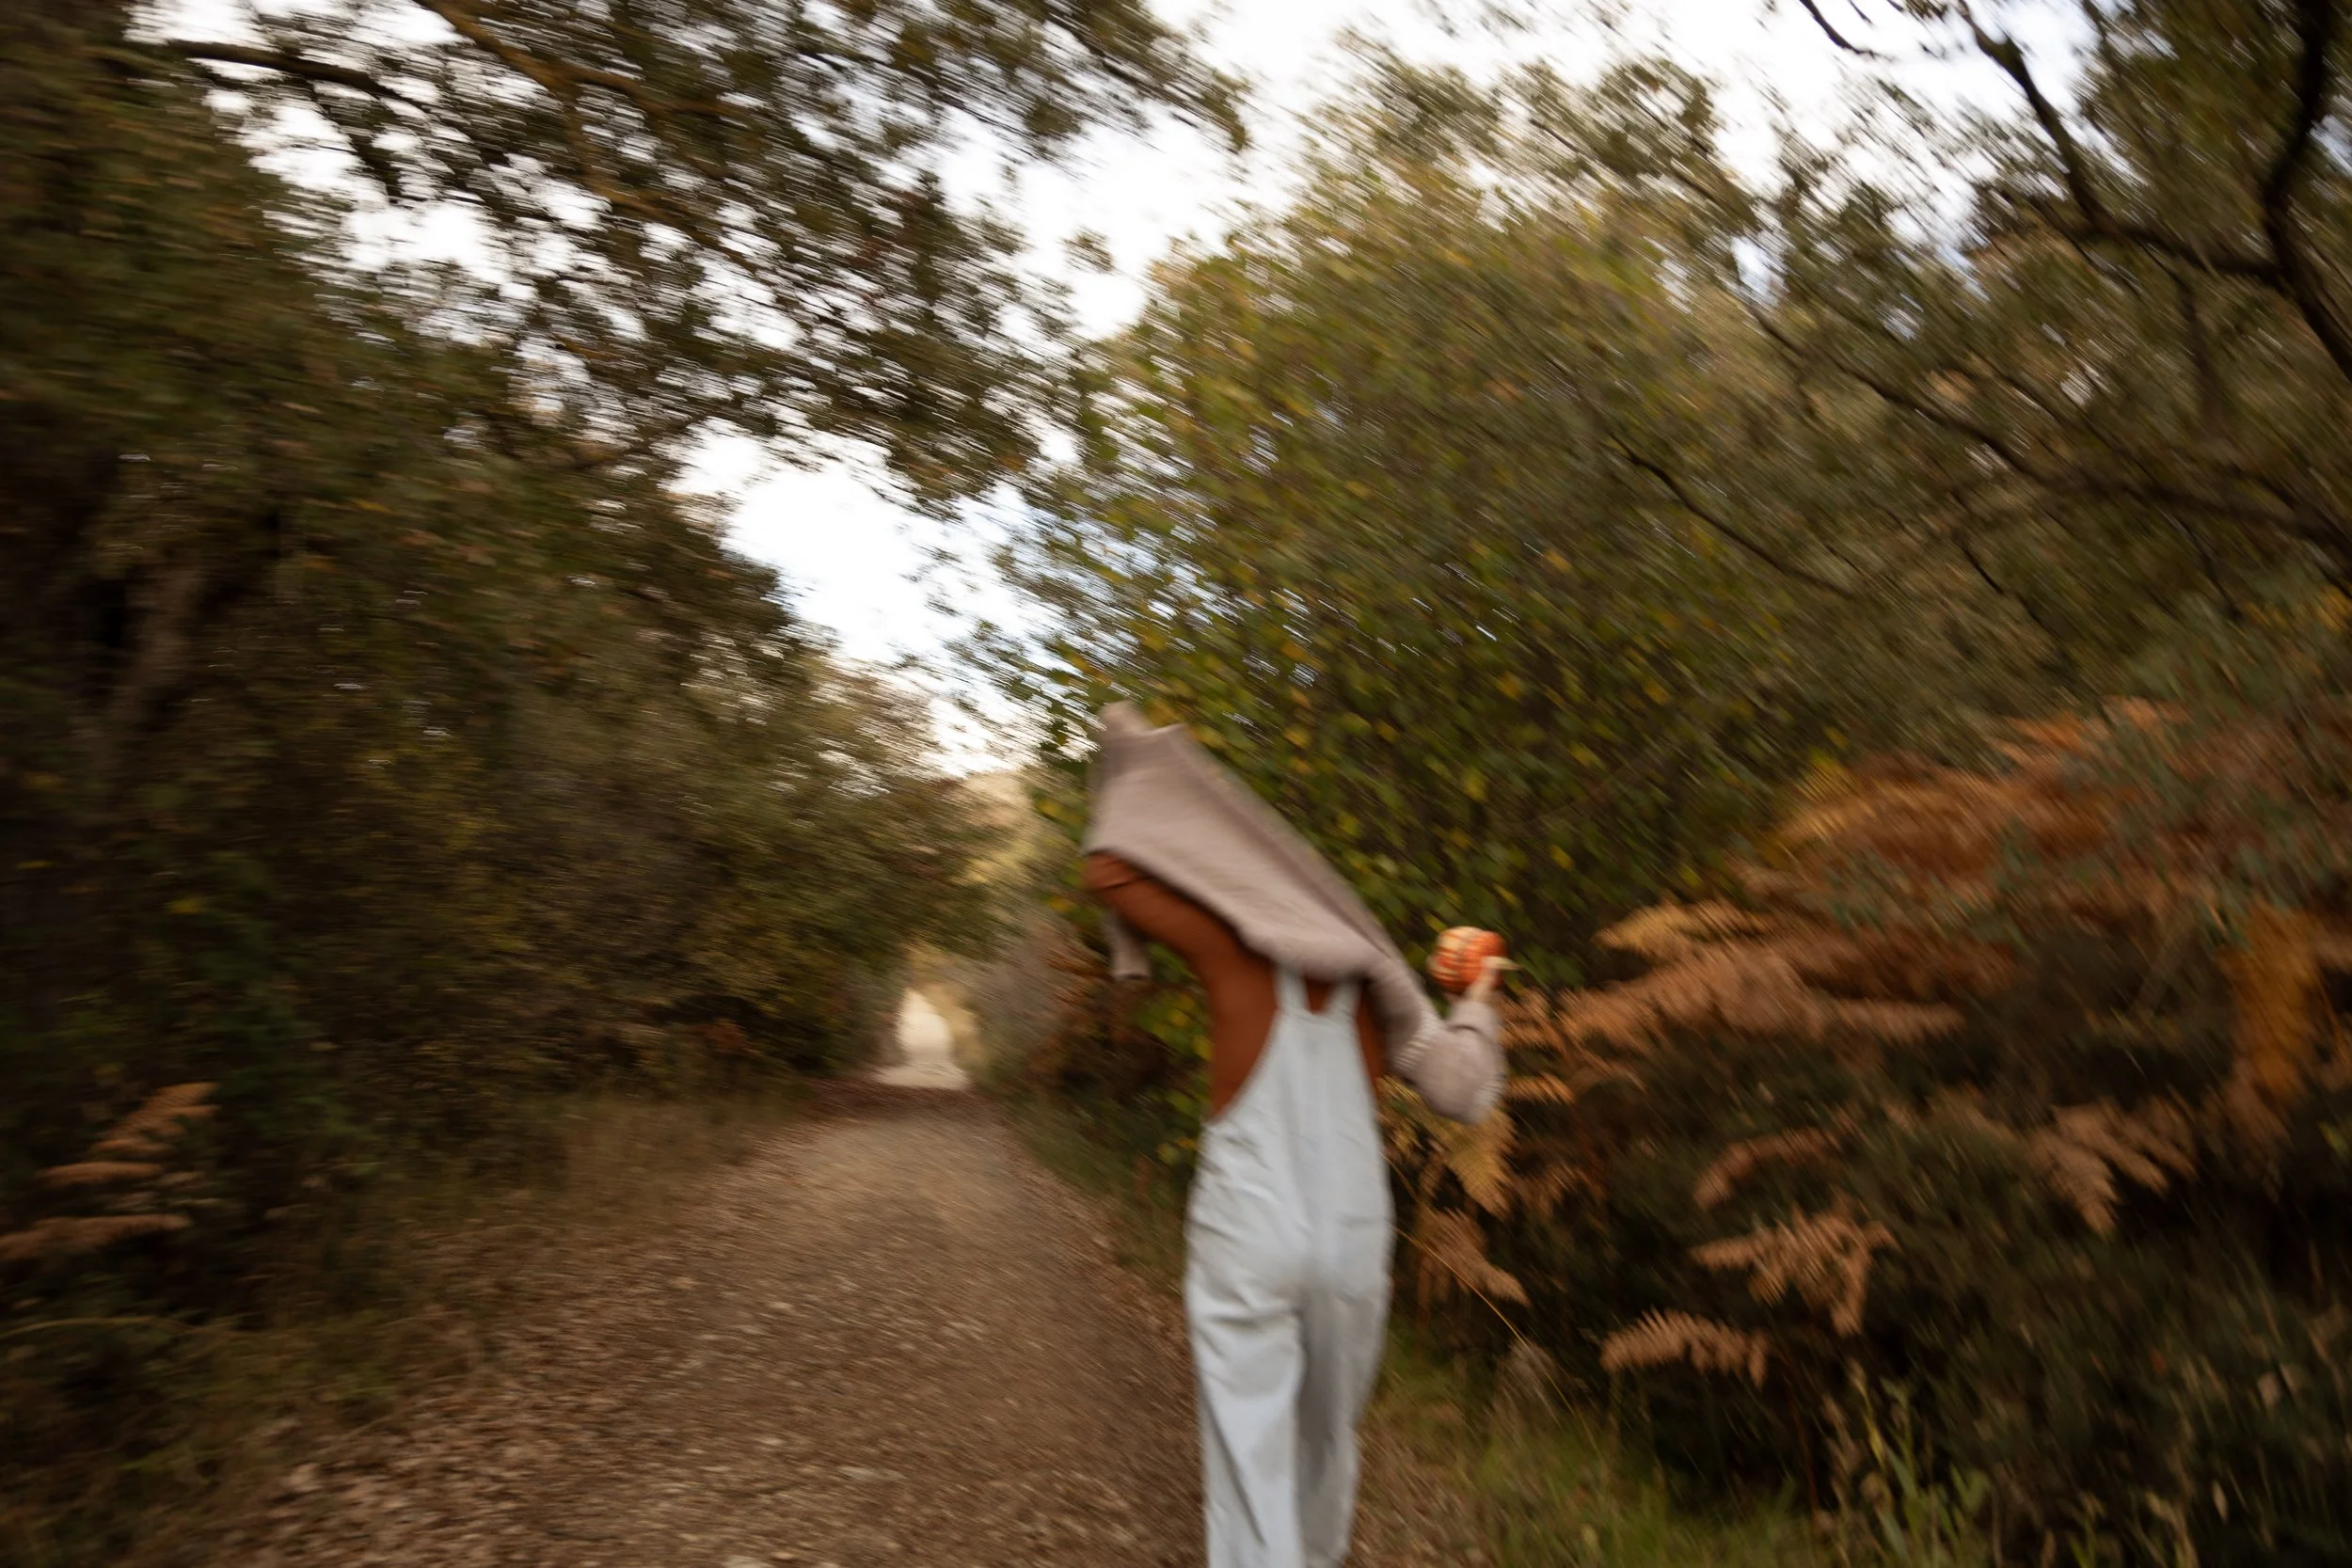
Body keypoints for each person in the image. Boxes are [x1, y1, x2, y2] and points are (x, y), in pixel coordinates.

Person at [1082, 703, 1505, 1568]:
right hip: (1351, 1244)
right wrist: (1475, 1001)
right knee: (1326, 1442)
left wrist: (1129, 758)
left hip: (1250, 1232)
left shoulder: (1233, 950)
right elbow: (1464, 1092)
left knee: (1250, 1450)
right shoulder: (1382, 993)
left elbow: (1109, 869)